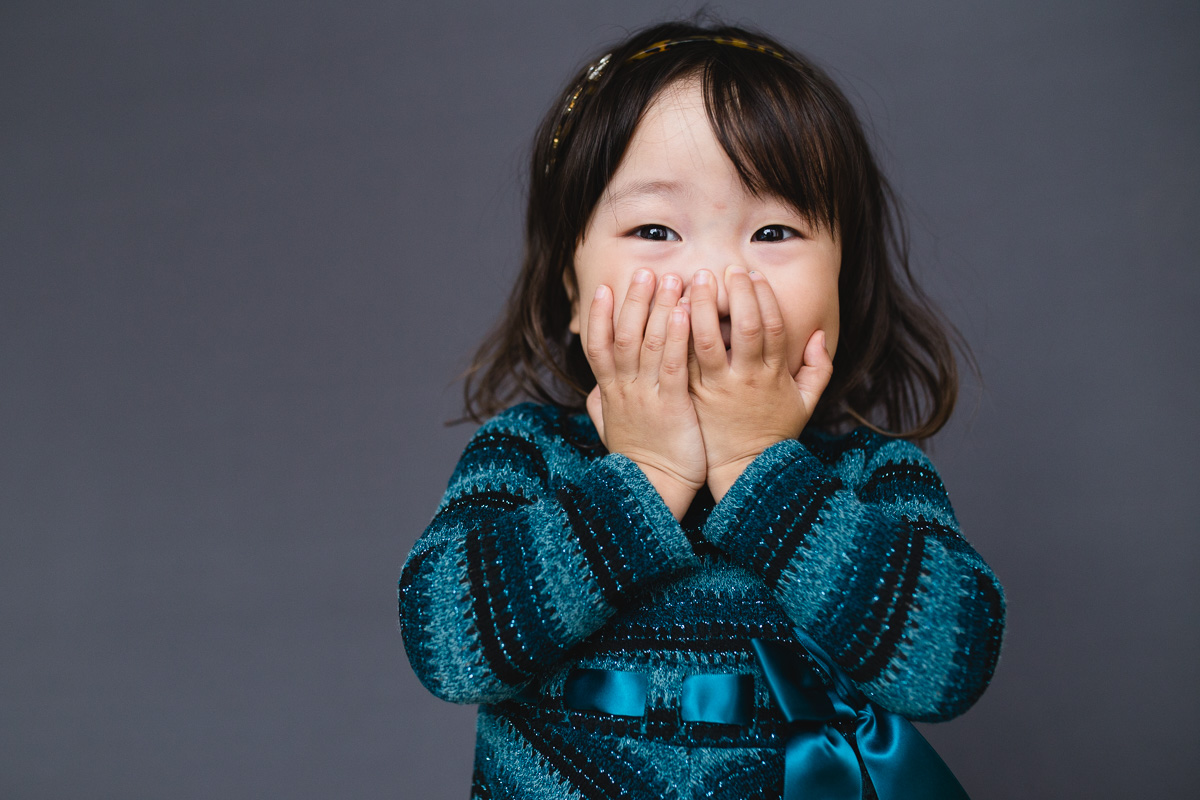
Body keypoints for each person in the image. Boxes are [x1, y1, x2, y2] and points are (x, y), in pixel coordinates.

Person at [399, 20, 1005, 800]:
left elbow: (949, 664)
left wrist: (764, 470)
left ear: (843, 292)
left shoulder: (868, 475)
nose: (716, 276)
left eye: (774, 230)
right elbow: (448, 648)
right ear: (573, 294)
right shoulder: (528, 457)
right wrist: (643, 475)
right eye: (655, 229)